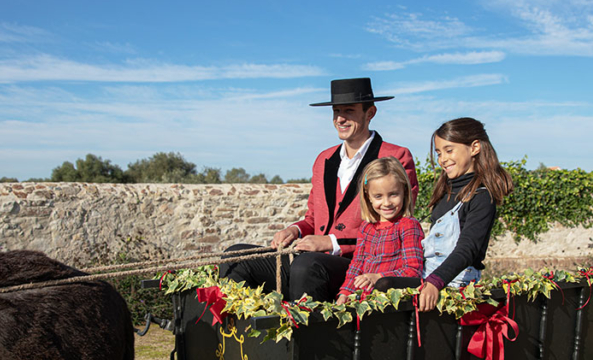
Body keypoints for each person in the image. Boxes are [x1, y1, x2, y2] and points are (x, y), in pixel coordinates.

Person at [220, 78, 418, 301]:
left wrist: (331, 242)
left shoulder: (395, 156)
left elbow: (394, 222)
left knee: (307, 264)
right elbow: (313, 219)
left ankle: (308, 334)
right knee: (234, 258)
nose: (340, 118)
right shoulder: (323, 159)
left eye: (349, 111)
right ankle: (244, 332)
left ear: (370, 113)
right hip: (313, 261)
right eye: (336, 111)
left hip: (361, 265)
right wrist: (295, 230)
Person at [416, 117, 514, 312]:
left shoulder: (482, 197)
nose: (442, 159)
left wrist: (436, 282)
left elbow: (467, 249)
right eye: (438, 153)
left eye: (449, 150)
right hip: (429, 279)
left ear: (474, 147)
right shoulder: (445, 193)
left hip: (455, 285)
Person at [335, 158, 424, 304]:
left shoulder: (408, 225)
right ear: (368, 197)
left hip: (391, 302)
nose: (387, 203)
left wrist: (379, 277)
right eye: (378, 196)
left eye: (393, 194)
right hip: (364, 301)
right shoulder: (366, 228)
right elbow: (356, 266)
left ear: (405, 192)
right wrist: (345, 292)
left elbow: (413, 271)